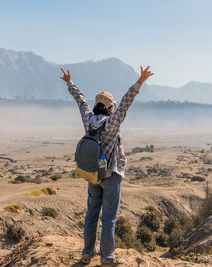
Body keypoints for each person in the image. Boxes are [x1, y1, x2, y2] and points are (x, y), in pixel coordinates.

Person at [60, 66, 154, 266]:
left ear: (96, 106)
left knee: (92, 214)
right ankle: (107, 258)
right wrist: (140, 81)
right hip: (111, 175)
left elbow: (80, 100)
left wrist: (70, 82)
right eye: (113, 108)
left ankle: (87, 254)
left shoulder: (88, 119)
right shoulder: (111, 123)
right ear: (110, 108)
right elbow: (127, 102)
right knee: (109, 217)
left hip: (93, 175)